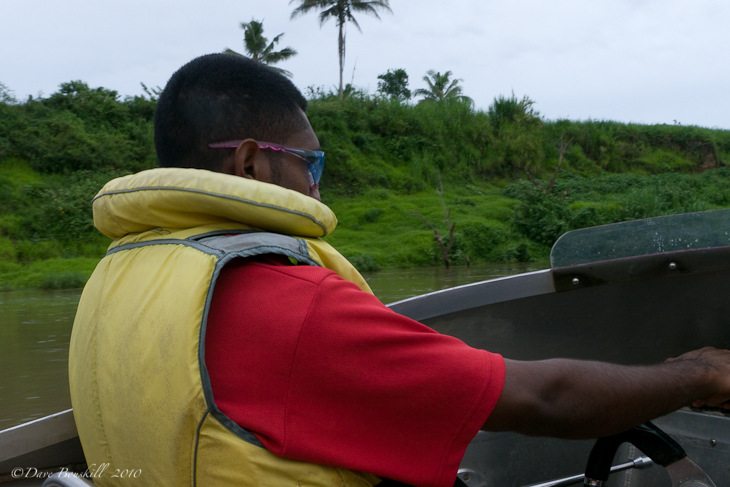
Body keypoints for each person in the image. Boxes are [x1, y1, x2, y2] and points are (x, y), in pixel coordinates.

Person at [68, 53, 730, 487]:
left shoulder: (122, 276)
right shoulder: (283, 302)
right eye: (312, 163)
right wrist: (697, 371)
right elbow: (542, 398)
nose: (319, 185)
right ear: (249, 162)